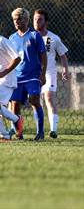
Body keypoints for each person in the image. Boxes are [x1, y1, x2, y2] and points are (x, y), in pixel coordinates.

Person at [9, 8, 47, 141]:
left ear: (25, 19)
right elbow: (10, 58)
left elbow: (43, 55)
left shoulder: (34, 35)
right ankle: (18, 133)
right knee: (15, 105)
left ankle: (40, 132)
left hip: (33, 76)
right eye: (14, 19)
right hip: (17, 77)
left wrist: (42, 74)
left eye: (19, 19)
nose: (16, 22)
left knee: (34, 100)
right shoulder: (12, 38)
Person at [33, 9, 69, 139]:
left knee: (48, 98)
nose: (37, 21)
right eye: (35, 19)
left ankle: (53, 130)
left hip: (49, 73)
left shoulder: (53, 38)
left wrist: (65, 69)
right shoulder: (29, 36)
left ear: (46, 22)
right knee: (35, 101)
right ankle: (39, 130)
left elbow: (63, 56)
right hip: (33, 74)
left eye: (40, 19)